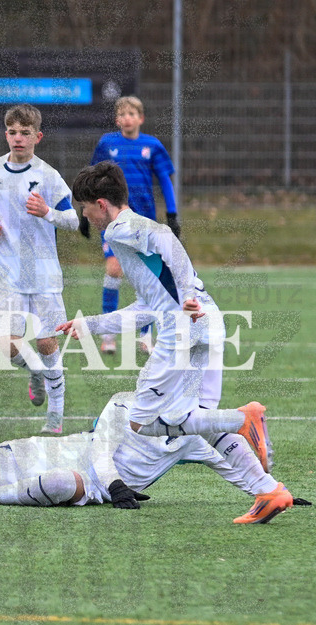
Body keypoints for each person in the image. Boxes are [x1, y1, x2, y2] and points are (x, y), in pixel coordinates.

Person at [57, 161, 275, 479]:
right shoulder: (132, 238)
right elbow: (148, 308)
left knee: (141, 423)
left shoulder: (119, 230)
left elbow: (167, 238)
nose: (85, 216)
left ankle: (242, 418)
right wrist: (90, 325)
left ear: (101, 205)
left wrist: (187, 293)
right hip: (209, 321)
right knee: (201, 424)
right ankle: (268, 490)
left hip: (185, 328)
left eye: (85, 208)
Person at [0, 392, 298, 524]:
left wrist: (269, 490)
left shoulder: (193, 436)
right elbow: (98, 451)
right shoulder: (125, 404)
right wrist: (115, 488)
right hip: (66, 454)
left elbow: (233, 462)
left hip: (84, 486)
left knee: (62, 485)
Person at [0, 104, 79, 434]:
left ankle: (55, 420)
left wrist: (47, 212)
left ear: (37, 137)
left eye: (25, 133)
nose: (18, 138)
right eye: (13, 132)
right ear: (6, 134)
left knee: (47, 344)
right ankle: (36, 372)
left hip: (43, 274)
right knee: (8, 346)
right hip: (6, 273)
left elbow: (73, 220)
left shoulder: (48, 176)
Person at [87, 96, 179, 354]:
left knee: (149, 276)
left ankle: (145, 335)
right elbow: (92, 177)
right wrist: (86, 209)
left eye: (132, 114)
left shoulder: (152, 145)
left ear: (141, 118)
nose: (127, 118)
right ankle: (108, 334)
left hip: (144, 222)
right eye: (122, 114)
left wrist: (172, 214)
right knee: (114, 268)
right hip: (112, 222)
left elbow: (164, 179)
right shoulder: (108, 143)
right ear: (117, 119)